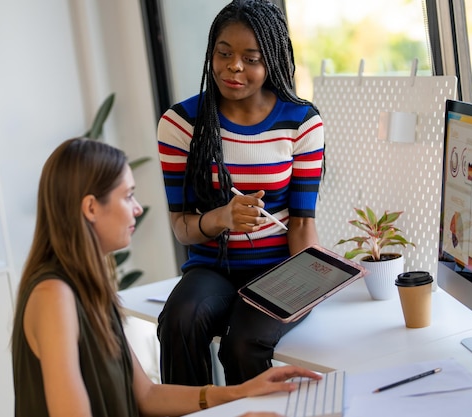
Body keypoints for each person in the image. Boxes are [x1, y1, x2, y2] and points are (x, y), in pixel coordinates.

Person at [11, 138, 320, 417]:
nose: (136, 209)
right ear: (91, 207)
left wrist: (239, 394)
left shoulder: (87, 289)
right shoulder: (54, 296)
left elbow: (146, 396)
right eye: (128, 196)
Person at [157, 0, 325, 386]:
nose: (234, 66)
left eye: (251, 58)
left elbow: (301, 223)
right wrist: (223, 218)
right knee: (179, 321)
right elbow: (183, 228)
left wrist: (313, 278)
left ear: (273, 63)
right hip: (213, 269)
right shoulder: (181, 124)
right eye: (224, 53)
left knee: (243, 344)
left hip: (280, 270)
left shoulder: (300, 122)